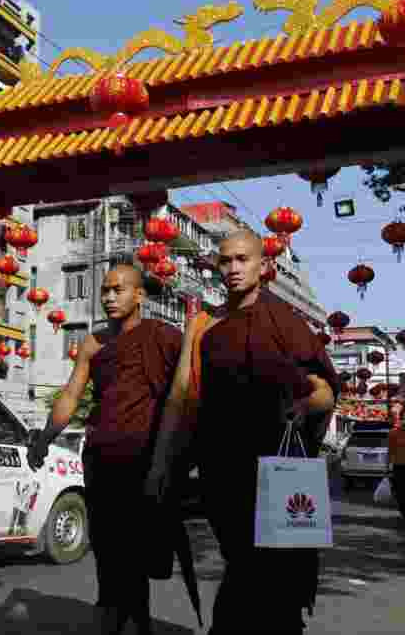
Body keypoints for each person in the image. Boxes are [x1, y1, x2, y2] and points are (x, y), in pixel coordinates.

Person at [144, 228, 338, 635]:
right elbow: (180, 397)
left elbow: (324, 391)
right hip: (223, 468)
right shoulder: (202, 326)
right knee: (242, 560)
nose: (232, 268)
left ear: (264, 266)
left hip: (278, 467)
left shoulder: (285, 320)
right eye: (225, 260)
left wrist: (303, 405)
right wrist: (162, 464)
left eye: (242, 259)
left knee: (270, 574)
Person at [27, 264, 183, 635]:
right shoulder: (94, 344)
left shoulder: (164, 337)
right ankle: (118, 612)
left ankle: (127, 617)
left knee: (133, 550)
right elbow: (70, 395)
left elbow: (186, 393)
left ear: (139, 295)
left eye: (119, 289)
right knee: (108, 546)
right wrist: (45, 439)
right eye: (105, 290)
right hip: (100, 459)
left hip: (145, 459)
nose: (110, 297)